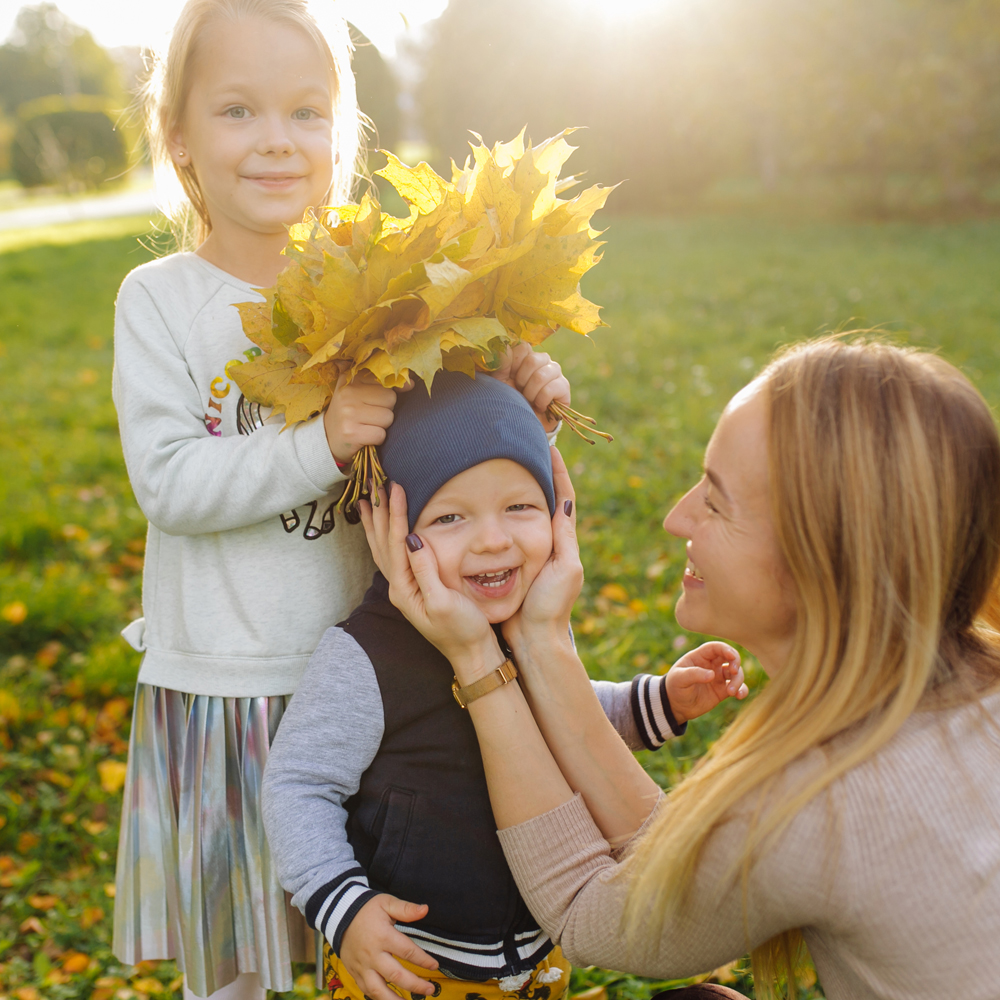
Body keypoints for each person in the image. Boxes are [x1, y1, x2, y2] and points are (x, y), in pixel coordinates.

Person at [109, 4, 570, 998]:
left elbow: (452, 459)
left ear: (339, 132)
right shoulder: (160, 299)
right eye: (238, 111)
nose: (277, 138)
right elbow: (172, 483)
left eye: (306, 112)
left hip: (377, 678)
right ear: (180, 135)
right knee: (237, 961)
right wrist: (318, 441)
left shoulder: (378, 290)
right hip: (228, 685)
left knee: (367, 936)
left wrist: (520, 393)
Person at [366, 337, 1000, 1000]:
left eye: (717, 504)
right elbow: (673, 856)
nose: (676, 518)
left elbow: (595, 913)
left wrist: (475, 656)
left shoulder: (827, 798)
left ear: (826, 559)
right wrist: (541, 636)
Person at [261, 370, 748, 1000]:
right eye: (450, 517)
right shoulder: (367, 654)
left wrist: (652, 702)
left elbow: (561, 723)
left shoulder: (524, 624)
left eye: (520, 507)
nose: (494, 540)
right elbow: (300, 784)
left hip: (537, 956)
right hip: (414, 967)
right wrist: (344, 905)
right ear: (387, 525)